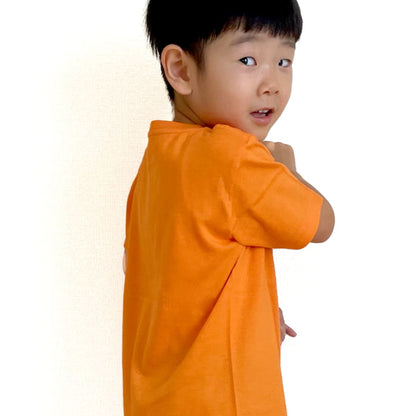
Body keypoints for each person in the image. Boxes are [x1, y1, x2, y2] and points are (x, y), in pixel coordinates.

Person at [122, 0, 335, 414]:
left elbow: (162, 274)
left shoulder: (155, 164)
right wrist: (286, 167)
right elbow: (320, 223)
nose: (272, 84)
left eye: (284, 61)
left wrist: (250, 310)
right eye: (248, 60)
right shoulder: (233, 156)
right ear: (181, 70)